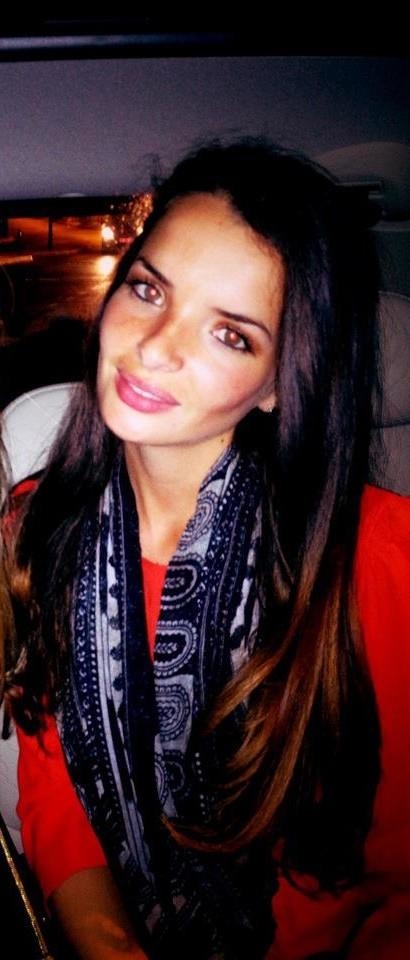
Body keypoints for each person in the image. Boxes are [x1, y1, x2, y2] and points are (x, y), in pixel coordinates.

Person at [1, 137, 409, 960]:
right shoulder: (38, 520)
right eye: (149, 289)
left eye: (231, 334)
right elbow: (55, 787)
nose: (154, 346)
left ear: (279, 383)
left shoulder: (382, 560)